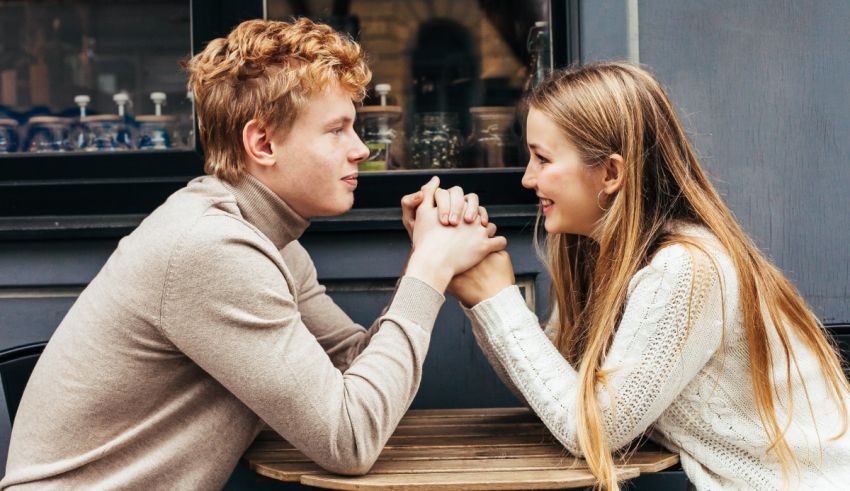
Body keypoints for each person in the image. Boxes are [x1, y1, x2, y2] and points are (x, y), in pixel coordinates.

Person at [1, 18, 504, 489]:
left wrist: (424, 260)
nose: (361, 149)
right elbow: (350, 438)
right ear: (262, 143)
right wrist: (430, 270)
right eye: (336, 130)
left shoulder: (268, 241)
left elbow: (355, 369)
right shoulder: (212, 248)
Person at [444, 62, 850, 490]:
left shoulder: (687, 268)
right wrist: (481, 298)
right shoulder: (598, 253)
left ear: (611, 173)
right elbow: (555, 396)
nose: (528, 178)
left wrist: (500, 302)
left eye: (542, 159)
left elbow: (593, 431)